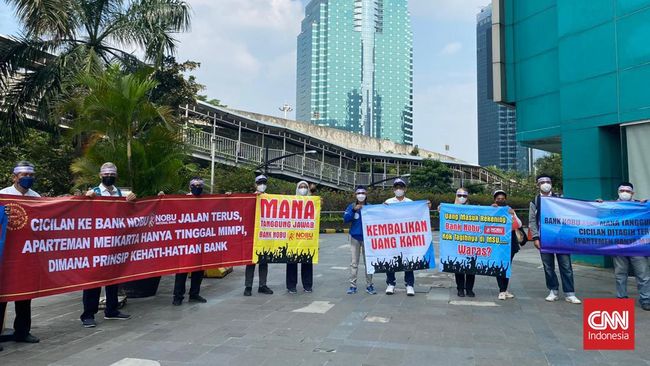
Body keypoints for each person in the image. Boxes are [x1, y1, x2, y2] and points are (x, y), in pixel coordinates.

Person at [80, 162, 135, 328]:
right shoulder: (93, 193)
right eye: (106, 174)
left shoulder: (120, 193)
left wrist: (133, 199)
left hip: (114, 243)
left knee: (113, 277)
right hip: (96, 244)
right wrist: (85, 200)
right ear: (100, 175)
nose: (109, 176)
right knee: (93, 279)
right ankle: (88, 314)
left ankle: (112, 309)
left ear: (116, 176)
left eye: (112, 174)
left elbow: (132, 209)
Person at [0, 161, 41, 346]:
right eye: (24, 175)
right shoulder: (3, 195)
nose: (28, 178)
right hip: (5, 254)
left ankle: (23, 331)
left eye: (31, 175)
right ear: (14, 177)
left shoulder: (36, 197)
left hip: (26, 254)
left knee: (24, 293)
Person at [529, 174, 581, 304]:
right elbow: (532, 220)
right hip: (544, 239)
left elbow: (573, 212)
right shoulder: (535, 201)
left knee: (566, 266)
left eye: (548, 181)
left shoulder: (559, 199)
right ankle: (553, 290)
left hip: (561, 238)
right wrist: (536, 237)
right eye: (542, 182)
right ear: (538, 185)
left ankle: (570, 293)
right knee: (548, 266)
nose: (546, 184)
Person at [598, 182, 650, 311]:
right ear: (618, 192)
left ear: (632, 193)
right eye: (622, 191)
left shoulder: (640, 205)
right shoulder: (610, 206)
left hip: (637, 246)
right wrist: (598, 206)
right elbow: (598, 219)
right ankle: (621, 298)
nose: (625, 193)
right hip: (619, 246)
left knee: (643, 274)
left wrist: (648, 203)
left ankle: (646, 299)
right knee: (620, 274)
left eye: (628, 191)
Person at [172, 178, 208, 306]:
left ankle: (194, 294)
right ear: (190, 187)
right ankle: (178, 296)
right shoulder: (181, 201)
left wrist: (228, 197)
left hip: (200, 241)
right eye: (195, 185)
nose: (197, 187)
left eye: (200, 185)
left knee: (199, 268)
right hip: (185, 242)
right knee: (182, 269)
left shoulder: (206, 201)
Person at [384, 178, 416, 296]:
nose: (399, 190)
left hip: (406, 237)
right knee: (390, 259)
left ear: (405, 189)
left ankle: (409, 284)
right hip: (392, 237)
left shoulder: (410, 202)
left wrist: (425, 206)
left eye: (401, 187)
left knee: (408, 259)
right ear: (393, 189)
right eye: (396, 188)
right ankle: (391, 284)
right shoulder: (388, 202)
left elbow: (417, 215)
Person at [244, 174, 273, 296]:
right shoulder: (250, 198)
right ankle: (248, 286)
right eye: (260, 183)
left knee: (263, 261)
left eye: (264, 183)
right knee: (251, 262)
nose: (262, 185)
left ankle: (262, 285)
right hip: (252, 234)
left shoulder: (270, 198)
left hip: (264, 234)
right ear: (255, 185)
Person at [343, 186, 376, 295]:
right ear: (355, 195)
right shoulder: (351, 206)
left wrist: (384, 208)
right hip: (355, 238)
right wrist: (354, 210)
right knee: (354, 263)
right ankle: (353, 286)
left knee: (369, 262)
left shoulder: (370, 207)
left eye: (363, 193)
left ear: (366, 194)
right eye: (359, 193)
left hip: (368, 238)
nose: (361, 195)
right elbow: (346, 219)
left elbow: (379, 217)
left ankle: (369, 285)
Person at [286, 181, 314, 294]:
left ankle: (307, 285)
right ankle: (291, 285)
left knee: (307, 260)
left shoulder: (312, 201)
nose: (303, 189)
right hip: (293, 236)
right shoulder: (291, 201)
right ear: (297, 188)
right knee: (292, 261)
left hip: (307, 236)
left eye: (305, 187)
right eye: (301, 187)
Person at [492, 190, 521, 300]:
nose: (500, 200)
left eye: (502, 199)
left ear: (505, 199)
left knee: (507, 266)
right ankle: (502, 290)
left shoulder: (509, 210)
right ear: (495, 199)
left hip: (510, 243)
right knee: (499, 265)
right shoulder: (492, 209)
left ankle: (505, 289)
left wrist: (512, 214)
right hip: (497, 243)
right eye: (498, 199)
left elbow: (518, 224)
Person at [450, 188, 476, 298]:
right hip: (457, 242)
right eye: (459, 195)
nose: (462, 197)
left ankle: (469, 289)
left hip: (471, 242)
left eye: (464, 196)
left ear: (467, 197)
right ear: (456, 196)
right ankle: (460, 288)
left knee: (471, 266)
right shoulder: (450, 209)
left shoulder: (474, 209)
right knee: (459, 266)